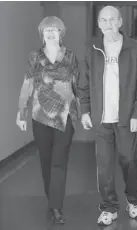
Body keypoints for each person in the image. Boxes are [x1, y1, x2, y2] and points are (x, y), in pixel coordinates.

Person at [79, 5, 137, 226]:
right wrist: (85, 110)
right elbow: (84, 83)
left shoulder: (134, 47)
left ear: (120, 22)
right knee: (105, 165)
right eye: (104, 20)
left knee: (129, 160)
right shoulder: (92, 48)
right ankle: (109, 207)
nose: (108, 24)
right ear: (99, 24)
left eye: (112, 20)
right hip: (101, 118)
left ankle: (134, 200)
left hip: (126, 117)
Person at [16, 16, 80, 224]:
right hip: (40, 116)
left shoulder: (70, 57)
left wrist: (81, 113)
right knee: (46, 161)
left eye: (55, 30)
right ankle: (52, 198)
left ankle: (56, 207)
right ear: (42, 34)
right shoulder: (34, 57)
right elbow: (27, 84)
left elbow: (77, 87)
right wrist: (21, 111)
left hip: (65, 117)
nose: (51, 33)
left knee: (59, 162)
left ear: (61, 33)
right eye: (47, 30)